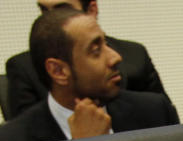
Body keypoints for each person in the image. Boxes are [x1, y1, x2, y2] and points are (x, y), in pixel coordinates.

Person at [0, 9, 178, 141]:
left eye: (106, 44)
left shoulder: (155, 112)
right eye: (95, 51)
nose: (115, 57)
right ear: (59, 71)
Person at [5, 0, 166, 118]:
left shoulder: (153, 108)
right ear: (57, 71)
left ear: (91, 10)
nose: (115, 58)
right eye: (44, 10)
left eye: (63, 9)